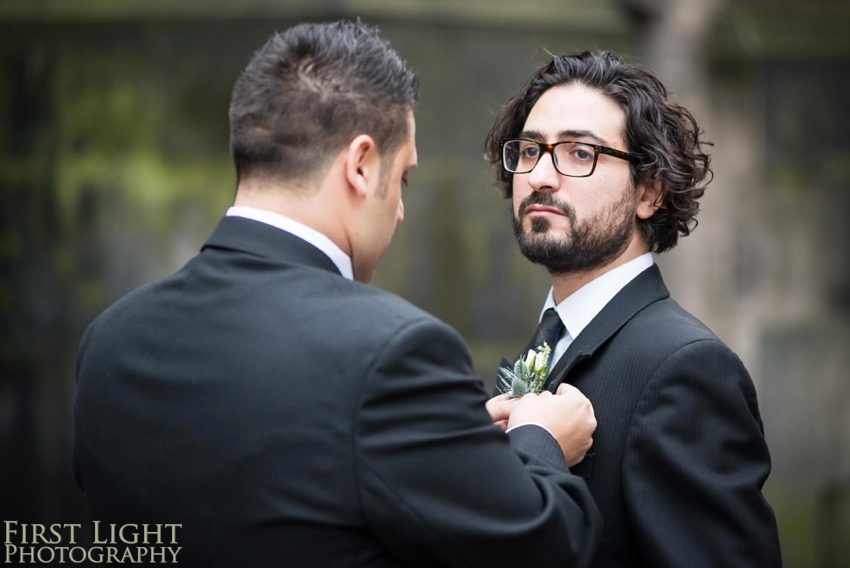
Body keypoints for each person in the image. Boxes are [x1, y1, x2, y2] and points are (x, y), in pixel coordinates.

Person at [73, 21, 602, 568]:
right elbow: (544, 548)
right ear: (360, 165)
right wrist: (538, 442)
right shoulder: (392, 353)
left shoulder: (109, 339)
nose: (399, 208)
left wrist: (454, 438)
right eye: (403, 179)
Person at [485, 51, 782, 567]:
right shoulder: (550, 338)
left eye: (580, 153)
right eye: (530, 150)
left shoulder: (686, 368)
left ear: (649, 190)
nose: (541, 176)